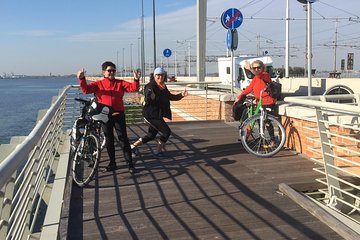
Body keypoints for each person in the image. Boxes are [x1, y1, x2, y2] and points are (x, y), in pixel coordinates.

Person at [77, 61, 140, 173]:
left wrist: (136, 79)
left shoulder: (120, 83)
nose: (111, 72)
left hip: (118, 114)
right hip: (104, 115)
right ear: (104, 72)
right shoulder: (98, 84)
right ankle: (112, 163)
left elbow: (133, 88)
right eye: (109, 70)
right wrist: (82, 79)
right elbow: (86, 90)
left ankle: (130, 164)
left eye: (113, 70)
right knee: (109, 140)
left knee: (123, 139)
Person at [131, 67, 188, 157]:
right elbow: (148, 98)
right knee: (166, 132)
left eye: (162, 75)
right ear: (154, 76)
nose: (160, 77)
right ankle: (158, 152)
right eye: (158, 75)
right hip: (151, 115)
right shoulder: (150, 86)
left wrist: (181, 95)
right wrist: (151, 98)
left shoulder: (163, 86)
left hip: (157, 114)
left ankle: (132, 146)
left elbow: (170, 96)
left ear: (164, 76)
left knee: (151, 135)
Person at [234, 60, 278, 146]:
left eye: (259, 67)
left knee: (266, 121)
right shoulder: (255, 78)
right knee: (255, 118)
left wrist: (250, 69)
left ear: (263, 68)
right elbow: (248, 89)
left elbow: (260, 76)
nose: (257, 69)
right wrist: (239, 97)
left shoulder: (265, 75)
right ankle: (249, 135)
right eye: (254, 68)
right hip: (259, 101)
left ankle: (273, 140)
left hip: (268, 101)